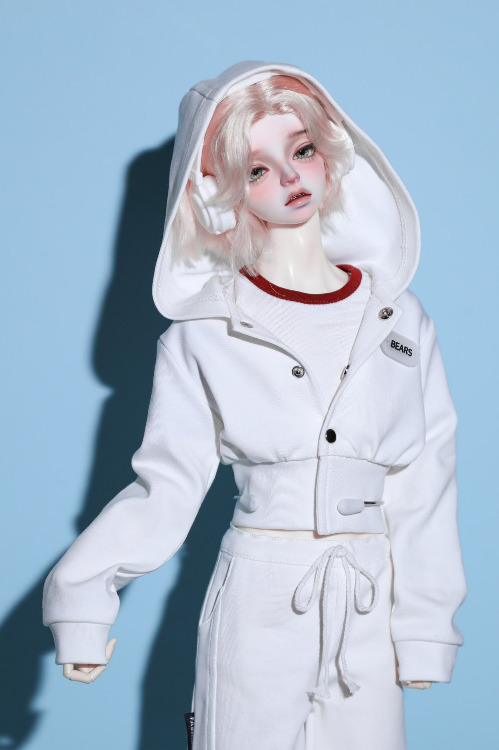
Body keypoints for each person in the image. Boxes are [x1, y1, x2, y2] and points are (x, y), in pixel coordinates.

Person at [42, 61, 467, 750]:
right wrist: (83, 603)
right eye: (258, 168)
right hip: (258, 597)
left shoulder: (400, 318)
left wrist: (424, 628)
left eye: (303, 150)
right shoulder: (203, 332)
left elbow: (424, 482)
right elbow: (167, 485)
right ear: (221, 190)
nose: (292, 177)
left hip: (367, 595)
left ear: (331, 153)